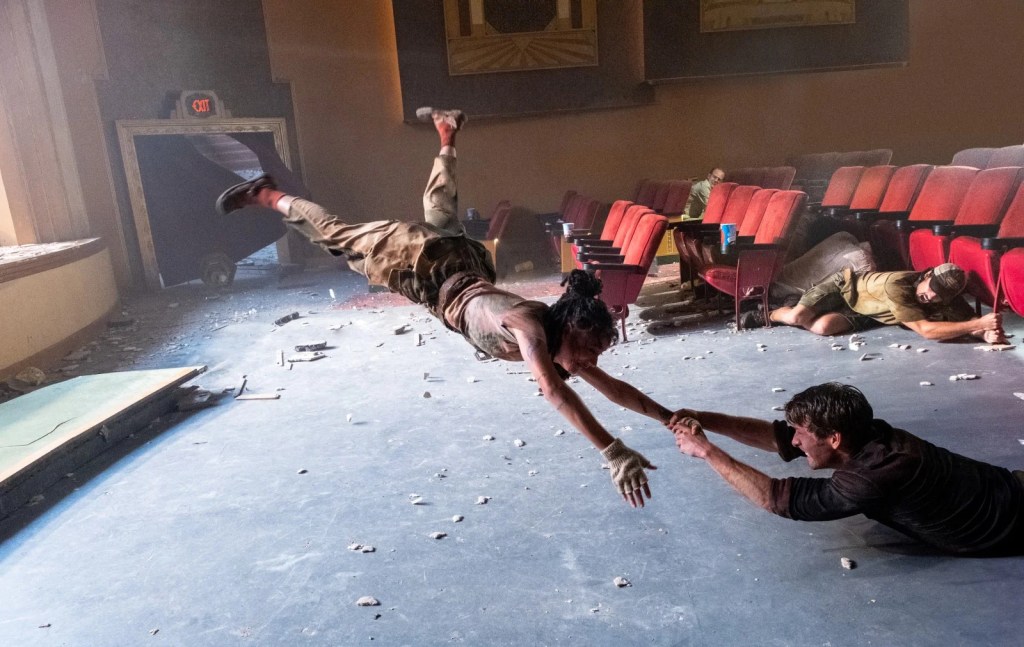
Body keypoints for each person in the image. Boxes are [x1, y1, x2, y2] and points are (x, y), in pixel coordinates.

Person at [215, 107, 674, 507]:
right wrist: (613, 451)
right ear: (569, 328)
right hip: (420, 263)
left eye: (595, 354)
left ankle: (448, 132)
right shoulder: (530, 329)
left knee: (440, 207)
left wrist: (669, 418)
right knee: (337, 237)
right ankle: (268, 194)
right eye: (590, 350)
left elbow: (614, 389)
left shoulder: (561, 340)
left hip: (460, 261)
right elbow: (555, 393)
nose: (591, 362)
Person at [669, 382, 1024, 555]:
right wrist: (704, 418)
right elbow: (778, 438)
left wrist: (706, 451)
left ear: (834, 439)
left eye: (801, 433)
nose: (794, 440)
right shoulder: (867, 432)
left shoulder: (873, 474)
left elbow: (775, 498)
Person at [743, 263, 1007, 344]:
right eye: (932, 288)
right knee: (796, 318)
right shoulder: (898, 285)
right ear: (927, 275)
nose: (932, 297)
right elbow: (927, 331)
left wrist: (985, 334)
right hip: (845, 290)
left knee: (822, 328)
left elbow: (966, 321)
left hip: (872, 311)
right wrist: (980, 324)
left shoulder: (945, 296)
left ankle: (795, 306)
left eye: (941, 296)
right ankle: (771, 313)